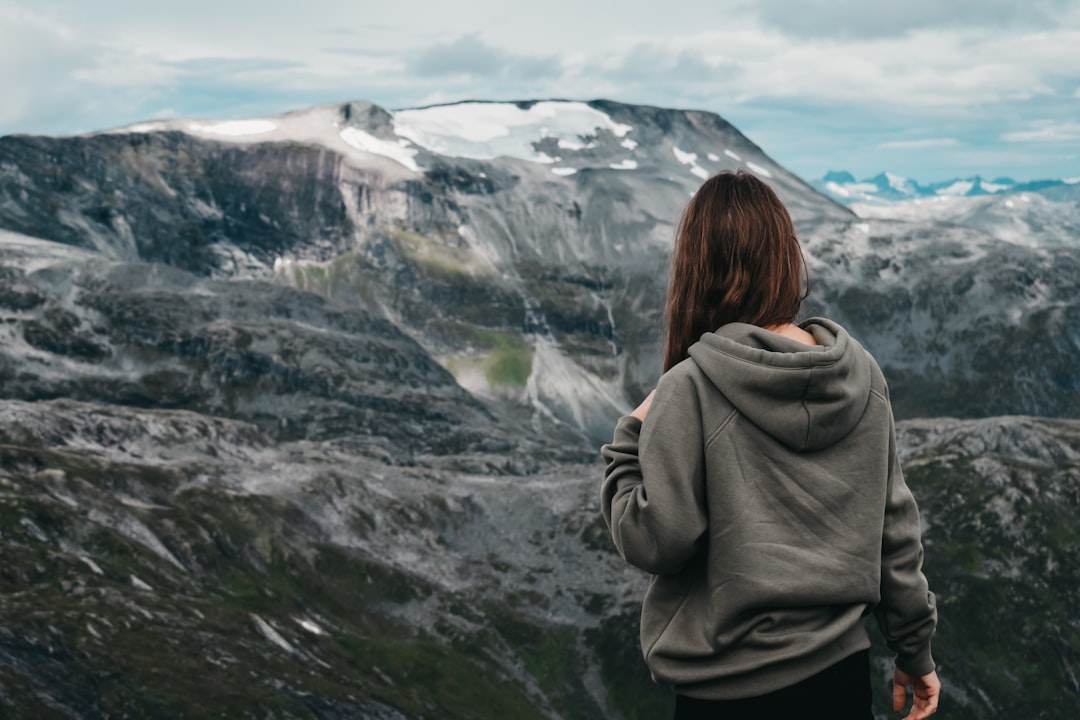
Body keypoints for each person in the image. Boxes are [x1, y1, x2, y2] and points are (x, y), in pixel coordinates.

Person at [600, 171, 940, 719]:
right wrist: (914, 650)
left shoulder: (691, 387)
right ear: (786, 255)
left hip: (725, 696)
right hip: (841, 684)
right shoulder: (861, 374)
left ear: (695, 269)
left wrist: (627, 442)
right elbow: (894, 531)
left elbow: (655, 540)